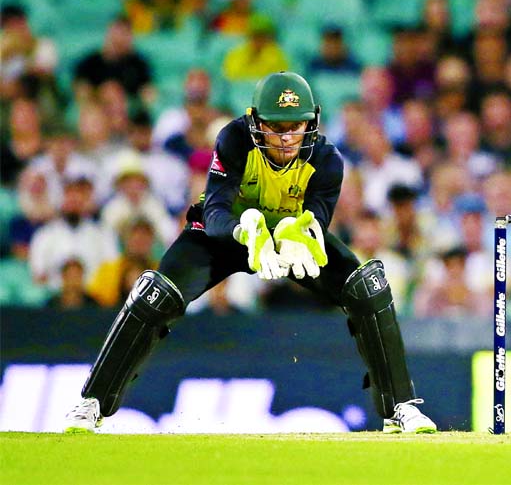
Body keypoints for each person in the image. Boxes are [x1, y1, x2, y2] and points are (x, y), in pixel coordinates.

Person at [64, 71, 436, 435]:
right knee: (154, 294)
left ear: (312, 122)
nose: (288, 137)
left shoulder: (327, 160)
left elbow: (317, 221)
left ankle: (400, 406)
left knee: (366, 288)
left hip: (289, 239)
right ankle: (93, 401)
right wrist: (246, 231)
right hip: (230, 234)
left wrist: (298, 236)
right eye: (277, 126)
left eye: (296, 126)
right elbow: (214, 211)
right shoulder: (234, 138)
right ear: (256, 121)